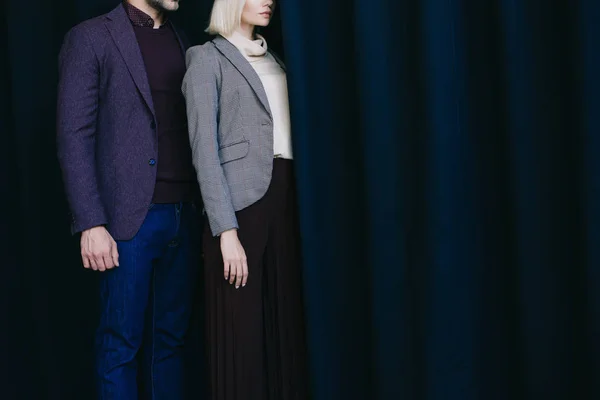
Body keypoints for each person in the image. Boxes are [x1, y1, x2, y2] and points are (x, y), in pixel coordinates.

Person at [56, 1, 201, 398]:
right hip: (127, 222)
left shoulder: (183, 40)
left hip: (183, 216)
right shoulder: (90, 37)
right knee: (120, 345)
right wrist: (90, 222)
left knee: (170, 345)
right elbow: (74, 136)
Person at [181, 0, 308, 399]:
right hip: (240, 207)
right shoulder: (206, 58)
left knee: (284, 321)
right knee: (242, 331)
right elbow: (204, 152)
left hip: (286, 199)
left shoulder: (281, 61)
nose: (268, 1)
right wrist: (226, 230)